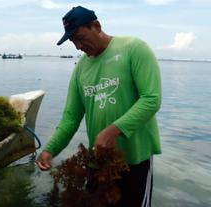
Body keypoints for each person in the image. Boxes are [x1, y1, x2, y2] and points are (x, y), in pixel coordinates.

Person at [36, 6, 161, 207]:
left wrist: (113, 131)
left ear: (96, 26)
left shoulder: (134, 48)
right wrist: (50, 150)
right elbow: (70, 118)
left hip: (135, 162)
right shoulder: (80, 69)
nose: (77, 46)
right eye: (73, 41)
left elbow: (151, 99)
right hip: (98, 162)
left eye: (80, 37)